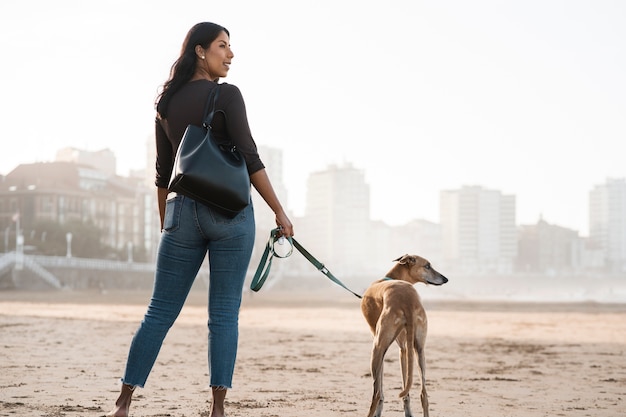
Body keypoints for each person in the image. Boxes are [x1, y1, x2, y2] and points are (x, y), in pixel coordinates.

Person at [106, 22, 294, 417]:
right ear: (199, 51)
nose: (230, 54)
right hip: (230, 213)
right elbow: (249, 155)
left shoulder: (166, 105)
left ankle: (123, 404)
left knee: (158, 311)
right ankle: (217, 409)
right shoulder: (226, 95)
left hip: (181, 212)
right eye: (223, 46)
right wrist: (278, 210)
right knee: (224, 314)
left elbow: (163, 172)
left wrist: (166, 222)